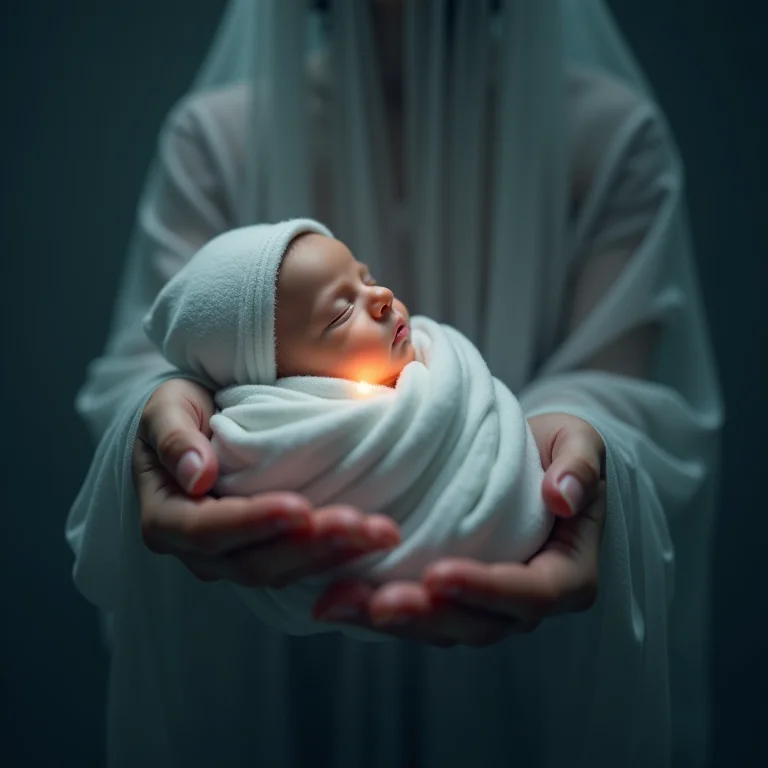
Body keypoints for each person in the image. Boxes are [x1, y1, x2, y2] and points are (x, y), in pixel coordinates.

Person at [66, 1, 722, 766]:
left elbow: (621, 390)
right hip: (272, 673)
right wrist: (167, 420)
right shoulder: (216, 141)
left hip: (520, 692)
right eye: (345, 299)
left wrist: (563, 454)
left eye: (369, 281)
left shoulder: (609, 141)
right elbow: (160, 356)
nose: (384, 298)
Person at [142, 217, 553, 638]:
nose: (381, 297)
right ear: (282, 379)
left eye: (366, 277)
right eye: (340, 314)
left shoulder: (442, 358)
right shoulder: (270, 439)